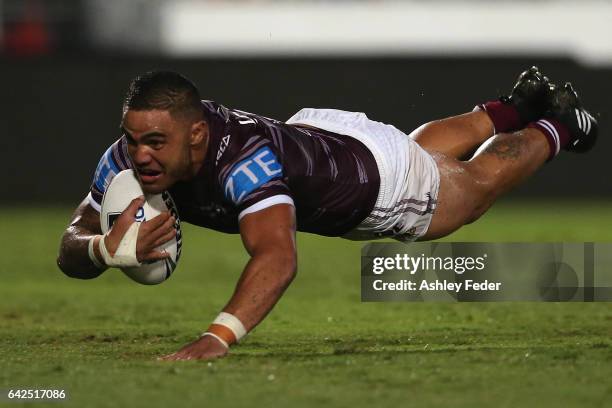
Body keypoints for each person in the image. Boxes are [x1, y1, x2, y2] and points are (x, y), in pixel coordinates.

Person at [57, 67, 598, 360]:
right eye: (133, 140)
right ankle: (511, 108)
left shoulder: (243, 163)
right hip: (321, 136)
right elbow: (71, 243)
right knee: (421, 153)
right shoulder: (127, 156)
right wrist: (107, 248)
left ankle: (560, 125)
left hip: (375, 183)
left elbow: (277, 256)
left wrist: (217, 337)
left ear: (197, 134)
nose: (141, 155)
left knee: (468, 194)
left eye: (156, 141)